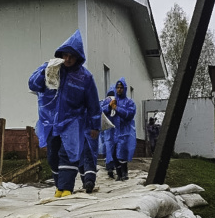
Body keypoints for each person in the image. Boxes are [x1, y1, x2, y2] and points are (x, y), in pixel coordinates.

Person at [28, 29, 100, 197]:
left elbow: (93, 103)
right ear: (60, 54)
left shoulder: (85, 78)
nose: (67, 59)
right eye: (65, 55)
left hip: (73, 121)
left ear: (78, 58)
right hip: (51, 121)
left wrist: (95, 125)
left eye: (72, 56)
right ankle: (60, 185)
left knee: (68, 153)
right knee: (53, 156)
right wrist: (45, 71)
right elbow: (33, 85)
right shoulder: (50, 68)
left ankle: (66, 188)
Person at [102, 77, 136, 181]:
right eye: (118, 87)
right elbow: (101, 111)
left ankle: (124, 173)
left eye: (121, 87)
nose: (119, 89)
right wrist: (109, 106)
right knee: (113, 154)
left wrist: (117, 108)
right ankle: (119, 174)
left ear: (125, 89)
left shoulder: (129, 102)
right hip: (112, 132)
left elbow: (129, 114)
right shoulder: (111, 101)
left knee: (122, 153)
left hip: (124, 132)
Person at [99, 88, 116, 178]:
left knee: (107, 144)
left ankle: (109, 164)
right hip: (116, 127)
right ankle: (115, 164)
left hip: (107, 126)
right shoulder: (118, 100)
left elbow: (101, 111)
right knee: (114, 144)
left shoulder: (105, 101)